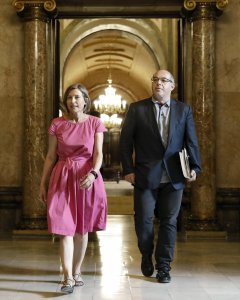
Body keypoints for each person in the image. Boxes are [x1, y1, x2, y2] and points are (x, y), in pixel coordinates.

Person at [120, 69, 201, 283]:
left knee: (169, 222)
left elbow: (191, 141)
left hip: (174, 177)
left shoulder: (184, 110)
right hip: (145, 176)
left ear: (172, 86)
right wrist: (128, 169)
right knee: (144, 221)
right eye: (155, 79)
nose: (159, 83)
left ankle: (164, 266)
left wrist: (195, 166)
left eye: (164, 80)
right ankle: (146, 254)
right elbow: (125, 142)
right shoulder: (137, 109)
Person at [40, 83, 107, 294]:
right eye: (69, 97)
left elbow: (98, 154)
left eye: (77, 97)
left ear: (86, 100)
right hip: (62, 176)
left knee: (81, 229)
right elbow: (51, 156)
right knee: (64, 228)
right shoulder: (57, 124)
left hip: (87, 177)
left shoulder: (96, 123)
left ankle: (77, 271)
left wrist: (94, 173)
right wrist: (43, 182)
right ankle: (67, 277)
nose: (73, 101)